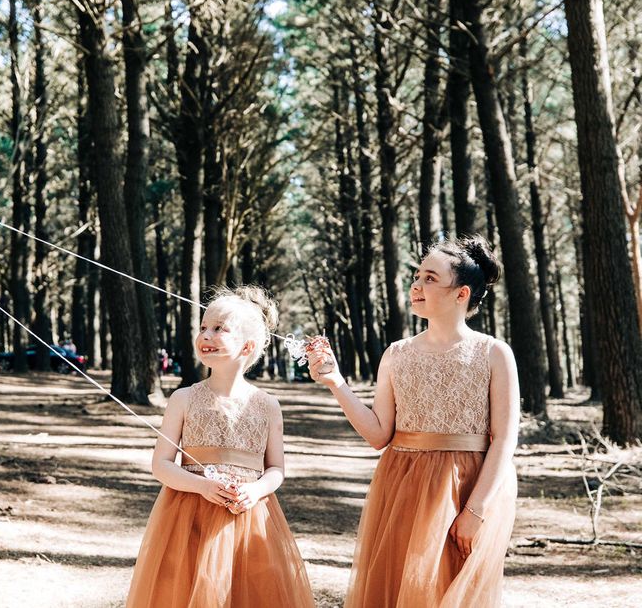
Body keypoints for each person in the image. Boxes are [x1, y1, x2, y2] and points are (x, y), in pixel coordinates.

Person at [308, 236, 518, 608]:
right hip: (402, 484)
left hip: (467, 488)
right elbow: (377, 434)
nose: (417, 286)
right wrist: (335, 382)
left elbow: (504, 439)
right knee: (404, 590)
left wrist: (475, 511)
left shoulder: (493, 353)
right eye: (417, 276)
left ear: (461, 293)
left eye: (431, 278)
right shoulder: (396, 354)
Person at [126, 286, 314, 608]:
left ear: (247, 346)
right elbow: (161, 465)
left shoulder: (267, 405)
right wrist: (203, 486)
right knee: (186, 590)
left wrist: (256, 491)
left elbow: (276, 469)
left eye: (218, 329)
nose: (206, 336)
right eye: (202, 328)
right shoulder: (183, 398)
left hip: (249, 518)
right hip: (188, 516)